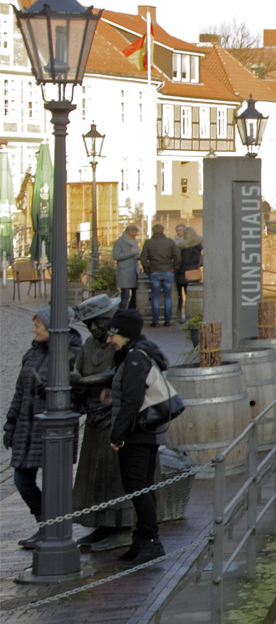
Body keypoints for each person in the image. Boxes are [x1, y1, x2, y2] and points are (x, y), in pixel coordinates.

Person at [5, 307, 80, 549]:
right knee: (21, 480)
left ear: (52, 328)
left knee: (54, 482)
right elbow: (19, 390)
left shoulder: (72, 353)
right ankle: (44, 524)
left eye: (38, 326)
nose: (33, 329)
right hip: (27, 428)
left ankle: (53, 530)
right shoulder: (33, 352)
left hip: (55, 430)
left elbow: (79, 394)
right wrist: (10, 423)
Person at [106, 309, 168, 565]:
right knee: (143, 486)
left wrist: (117, 435)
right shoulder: (138, 354)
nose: (110, 339)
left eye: (113, 334)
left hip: (138, 433)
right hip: (148, 432)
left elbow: (132, 400)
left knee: (137, 487)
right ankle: (142, 539)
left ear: (125, 334)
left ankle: (151, 541)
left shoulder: (134, 358)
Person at [71, 294, 131, 551]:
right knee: (94, 476)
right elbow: (79, 369)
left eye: (99, 322)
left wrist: (85, 382)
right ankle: (102, 524)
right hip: (95, 421)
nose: (95, 328)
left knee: (115, 475)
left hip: (116, 420)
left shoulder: (121, 342)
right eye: (89, 324)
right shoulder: (89, 345)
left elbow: (119, 373)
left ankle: (124, 527)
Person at [140, 224, 180, 327]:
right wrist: (174, 268)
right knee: (168, 297)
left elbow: (143, 258)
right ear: (163, 230)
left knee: (155, 297)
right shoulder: (170, 242)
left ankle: (155, 321)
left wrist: (147, 270)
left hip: (154, 271)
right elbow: (178, 257)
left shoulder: (148, 243)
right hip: (168, 270)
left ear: (153, 231)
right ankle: (167, 320)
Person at [173, 224, 202, 315]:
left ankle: (181, 313)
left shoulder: (186, 247)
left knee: (180, 294)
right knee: (191, 294)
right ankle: (192, 314)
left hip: (183, 273)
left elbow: (184, 261)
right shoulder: (198, 246)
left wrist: (176, 267)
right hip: (194, 272)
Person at [112, 224, 141, 311]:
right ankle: (122, 313)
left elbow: (137, 251)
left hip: (134, 270)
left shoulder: (134, 241)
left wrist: (139, 255)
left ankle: (131, 311)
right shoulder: (119, 242)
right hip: (124, 272)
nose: (135, 237)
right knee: (125, 295)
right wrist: (131, 253)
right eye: (133, 235)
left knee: (135, 293)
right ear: (128, 233)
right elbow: (116, 256)